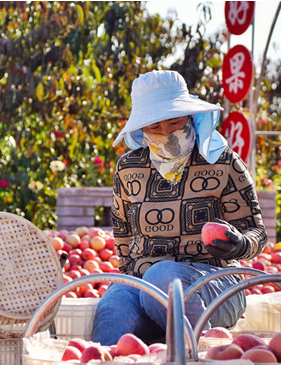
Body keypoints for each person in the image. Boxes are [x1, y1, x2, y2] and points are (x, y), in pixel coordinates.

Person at [91, 70, 268, 345]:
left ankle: (200, 362)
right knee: (112, 309)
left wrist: (240, 245)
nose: (166, 133)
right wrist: (128, 282)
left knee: (163, 278)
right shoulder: (128, 169)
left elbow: (256, 232)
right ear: (140, 129)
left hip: (215, 284)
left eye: (174, 122)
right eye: (154, 127)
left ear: (189, 118)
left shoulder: (222, 163)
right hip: (143, 283)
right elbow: (123, 237)